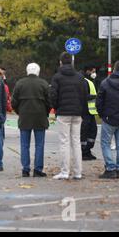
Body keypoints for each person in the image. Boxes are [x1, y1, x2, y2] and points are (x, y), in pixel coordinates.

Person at [50, 52, 87, 180]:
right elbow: (84, 95)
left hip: (63, 113)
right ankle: (78, 172)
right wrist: (82, 111)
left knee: (64, 142)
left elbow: (53, 95)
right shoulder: (80, 77)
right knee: (76, 142)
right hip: (77, 113)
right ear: (71, 62)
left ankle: (65, 171)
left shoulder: (57, 77)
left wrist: (56, 107)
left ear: (60, 62)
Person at [12, 63, 51, 177]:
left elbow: (14, 102)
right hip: (40, 117)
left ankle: (25, 169)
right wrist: (46, 112)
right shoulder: (43, 83)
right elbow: (49, 102)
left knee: (24, 145)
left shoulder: (20, 83)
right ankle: (38, 169)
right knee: (39, 144)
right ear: (38, 71)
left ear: (27, 71)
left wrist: (20, 111)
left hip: (24, 117)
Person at [80, 66, 99, 160]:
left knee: (92, 131)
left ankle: (88, 151)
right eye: (93, 71)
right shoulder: (84, 81)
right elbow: (83, 96)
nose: (94, 73)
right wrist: (94, 96)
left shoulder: (90, 81)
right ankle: (83, 152)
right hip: (84, 111)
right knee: (84, 132)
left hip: (91, 111)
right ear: (88, 71)